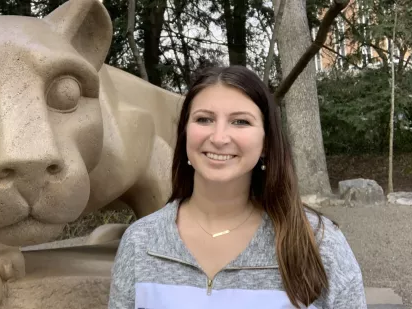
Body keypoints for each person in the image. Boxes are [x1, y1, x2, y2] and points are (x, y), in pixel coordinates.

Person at [108, 65, 367, 309]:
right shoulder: (141, 241)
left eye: (240, 122)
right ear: (185, 133)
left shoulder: (319, 243)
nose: (219, 137)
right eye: (204, 119)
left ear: (266, 142)